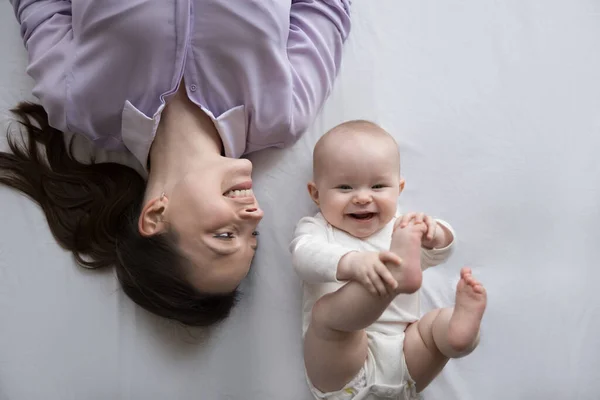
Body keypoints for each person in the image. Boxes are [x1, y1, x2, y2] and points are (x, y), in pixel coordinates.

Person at [1, 0, 351, 326]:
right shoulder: (283, 112)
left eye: (226, 235)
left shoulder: (75, 102)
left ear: (155, 215)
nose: (255, 215)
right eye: (253, 234)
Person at [290, 120, 487, 399]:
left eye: (379, 186)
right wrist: (351, 263)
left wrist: (435, 235)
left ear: (399, 189)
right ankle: (394, 281)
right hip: (344, 369)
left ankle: (457, 336)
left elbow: (442, 250)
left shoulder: (401, 229)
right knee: (328, 318)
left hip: (405, 353)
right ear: (316, 194)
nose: (362, 197)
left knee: (431, 329)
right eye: (345, 187)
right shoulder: (318, 228)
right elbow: (303, 256)